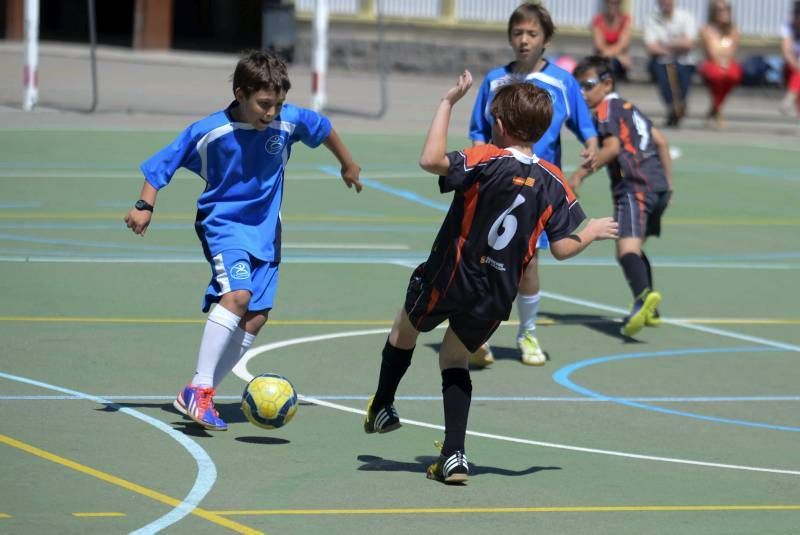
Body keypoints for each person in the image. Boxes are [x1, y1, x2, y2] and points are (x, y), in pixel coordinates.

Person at [364, 70, 617, 484]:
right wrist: (591, 231)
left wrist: (447, 102)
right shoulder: (554, 180)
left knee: (403, 328)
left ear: (499, 125)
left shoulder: (485, 157)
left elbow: (431, 160)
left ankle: (384, 405)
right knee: (454, 358)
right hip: (497, 294)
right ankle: (455, 454)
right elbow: (563, 248)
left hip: (451, 274)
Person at [124, 50, 362, 431]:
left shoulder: (287, 122)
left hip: (268, 232)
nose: (271, 113)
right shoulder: (210, 130)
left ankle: (200, 394)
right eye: (264, 104)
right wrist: (144, 205)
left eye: (278, 104)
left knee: (255, 318)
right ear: (240, 93)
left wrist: (347, 164)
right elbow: (160, 166)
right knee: (236, 297)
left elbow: (323, 127)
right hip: (225, 225)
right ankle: (200, 390)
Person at [468, 2, 598, 367]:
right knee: (484, 260)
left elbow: (586, 128)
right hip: (497, 186)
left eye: (532, 34)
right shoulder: (495, 80)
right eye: (517, 33)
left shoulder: (561, 82)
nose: (523, 40)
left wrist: (590, 148)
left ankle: (527, 332)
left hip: (536, 191)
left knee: (527, 264)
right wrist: (480, 152)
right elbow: (478, 129)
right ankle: (476, 335)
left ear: (546, 40)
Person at [568, 56, 673, 337]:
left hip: (634, 185)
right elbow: (661, 142)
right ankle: (651, 306)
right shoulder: (630, 108)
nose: (583, 93)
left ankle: (642, 299)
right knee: (635, 248)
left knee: (625, 250)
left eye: (587, 86)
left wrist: (579, 175)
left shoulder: (606, 109)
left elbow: (612, 148)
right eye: (578, 87)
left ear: (607, 83)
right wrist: (668, 185)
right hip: (657, 185)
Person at [644, 0, 698, 127]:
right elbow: (650, 47)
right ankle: (674, 107)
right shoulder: (652, 19)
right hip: (662, 61)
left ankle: (677, 108)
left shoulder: (686, 17)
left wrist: (664, 44)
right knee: (663, 73)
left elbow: (688, 44)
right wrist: (675, 46)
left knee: (682, 74)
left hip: (684, 61)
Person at [698, 0, 742, 128]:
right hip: (711, 63)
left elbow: (732, 51)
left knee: (734, 74)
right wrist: (722, 59)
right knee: (717, 75)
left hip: (727, 62)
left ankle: (714, 108)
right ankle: (718, 111)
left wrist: (724, 60)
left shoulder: (734, 29)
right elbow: (712, 52)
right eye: (720, 10)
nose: (724, 13)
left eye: (726, 9)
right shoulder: (707, 29)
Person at [591, 0, 633, 81]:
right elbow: (599, 45)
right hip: (605, 60)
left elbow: (623, 44)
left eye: (616, 2)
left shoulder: (625, 19)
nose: (612, 4)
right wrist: (618, 56)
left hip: (616, 63)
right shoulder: (598, 20)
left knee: (613, 63)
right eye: (609, 2)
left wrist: (607, 55)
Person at [779, 1, 800, 116]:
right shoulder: (787, 27)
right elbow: (786, 52)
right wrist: (797, 66)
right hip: (790, 67)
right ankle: (792, 98)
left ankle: (790, 97)